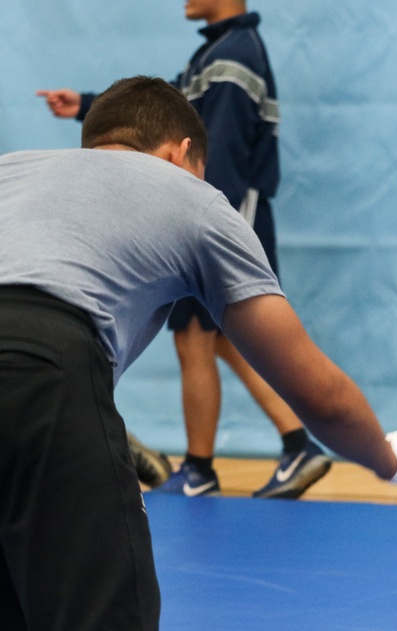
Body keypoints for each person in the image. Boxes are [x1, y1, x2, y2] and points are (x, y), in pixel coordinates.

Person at [0, 75, 397, 631]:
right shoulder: (192, 197)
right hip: (43, 370)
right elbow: (319, 395)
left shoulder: (13, 171)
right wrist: (396, 461)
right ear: (182, 153)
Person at [34, 0, 321, 499]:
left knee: (194, 336)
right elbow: (147, 115)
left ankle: (201, 467)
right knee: (224, 339)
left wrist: (202, 227)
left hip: (220, 212)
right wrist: (84, 104)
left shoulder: (234, 58)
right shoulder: (212, 56)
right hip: (205, 212)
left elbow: (222, 155)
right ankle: (299, 442)